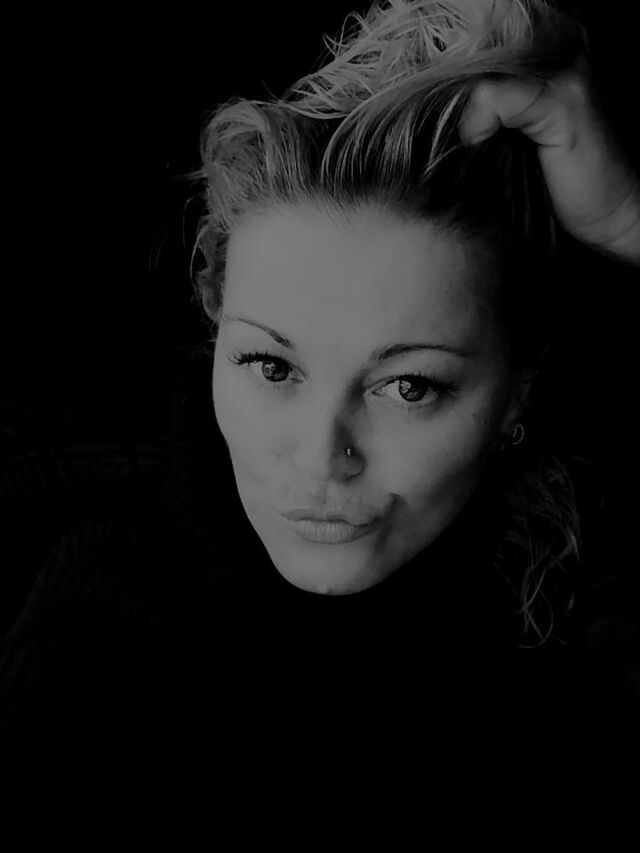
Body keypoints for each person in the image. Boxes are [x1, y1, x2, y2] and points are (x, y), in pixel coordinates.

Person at [1, 0, 639, 779]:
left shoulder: (595, 585)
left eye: (408, 386)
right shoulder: (103, 638)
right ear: (215, 315)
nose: (321, 457)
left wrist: (626, 222)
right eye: (273, 368)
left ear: (517, 392)